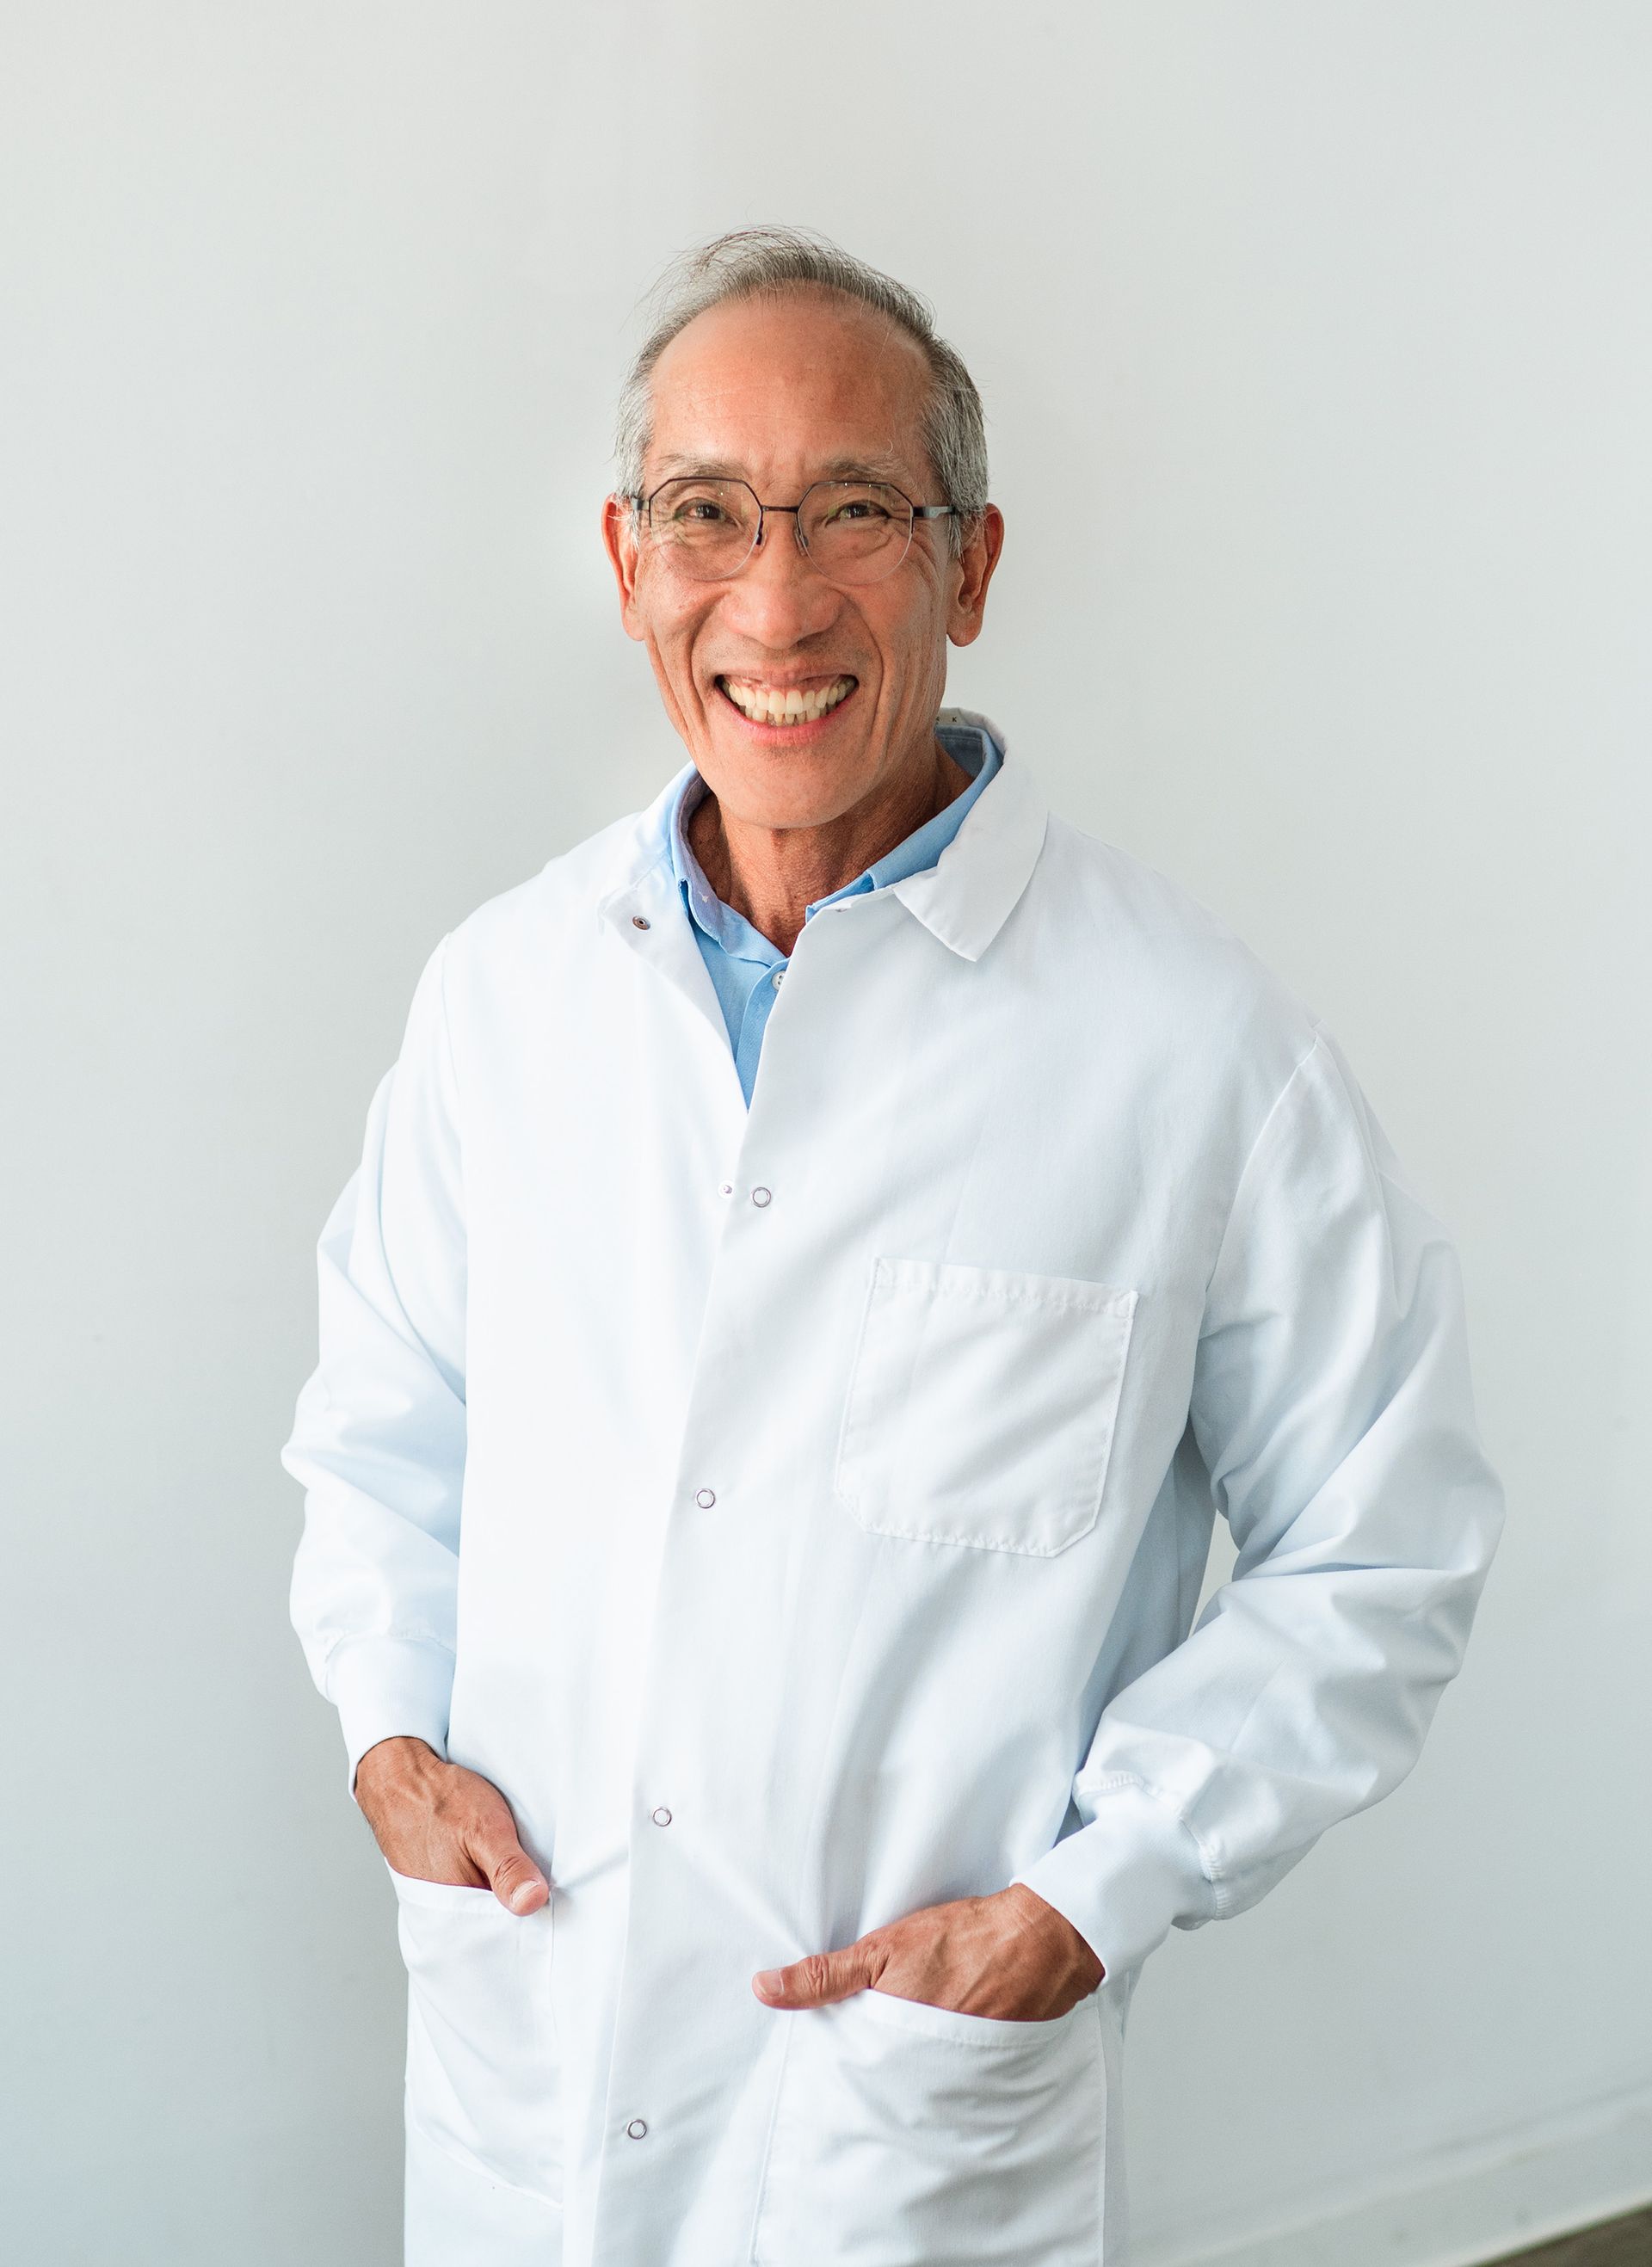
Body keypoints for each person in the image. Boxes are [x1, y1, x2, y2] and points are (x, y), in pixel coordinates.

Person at [283, 226, 1503, 2267]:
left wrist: (1090, 1899)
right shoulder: (506, 996)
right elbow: (383, 1425)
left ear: (974, 564)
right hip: (536, 2055)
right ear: (625, 559)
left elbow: (1387, 1542)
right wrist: (390, 1732)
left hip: (902, 2129)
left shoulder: (1189, 1046)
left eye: (859, 511)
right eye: (708, 515)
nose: (776, 597)